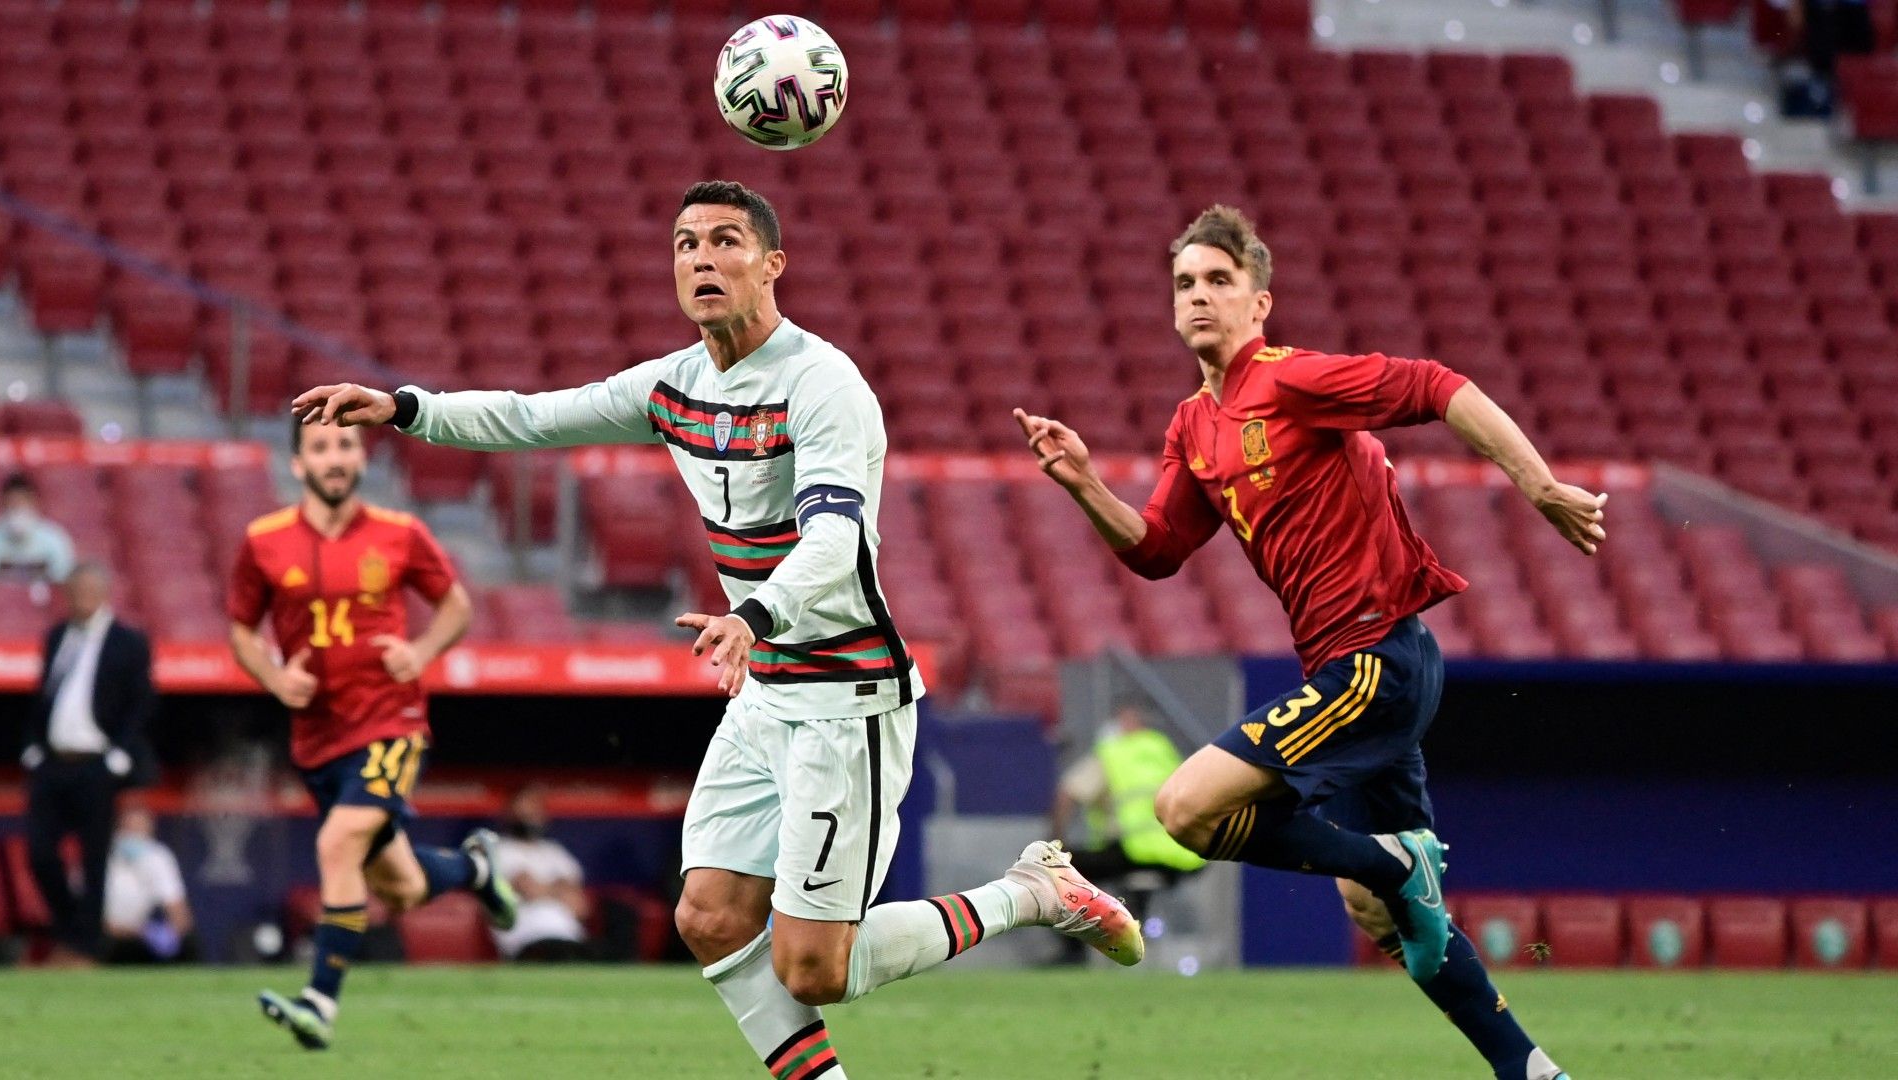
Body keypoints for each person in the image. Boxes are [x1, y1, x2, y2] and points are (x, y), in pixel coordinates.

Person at [292, 180, 1143, 1079]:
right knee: (707, 916)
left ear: (772, 265)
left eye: (726, 241)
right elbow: (534, 415)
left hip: (843, 695)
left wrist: (753, 614)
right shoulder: (675, 384)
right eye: (686, 244)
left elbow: (837, 536)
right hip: (765, 686)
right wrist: (405, 407)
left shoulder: (824, 384)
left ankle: (1031, 892)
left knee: (816, 968)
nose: (702, 259)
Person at [1017, 205, 1603, 1080]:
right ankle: (1529, 1067)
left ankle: (1395, 867)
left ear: (1260, 303)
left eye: (1220, 281)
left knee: (1184, 810)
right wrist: (1083, 484)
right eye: (1186, 284)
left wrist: (1542, 485)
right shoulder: (1193, 426)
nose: (1200, 297)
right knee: (1379, 913)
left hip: (1379, 659)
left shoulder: (1294, 381)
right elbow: (1157, 552)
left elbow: (1441, 387)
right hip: (1351, 670)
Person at [227, 418, 515, 1051]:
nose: (335, 457)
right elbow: (243, 630)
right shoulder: (264, 542)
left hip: (391, 721)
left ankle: (318, 1004)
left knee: (338, 842)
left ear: (361, 457)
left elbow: (457, 607)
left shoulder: (400, 533)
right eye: (322, 448)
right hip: (317, 737)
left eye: (346, 445)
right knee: (402, 886)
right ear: (299, 465)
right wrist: (275, 679)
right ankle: (474, 868)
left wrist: (420, 653)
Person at [22, 561, 153, 961]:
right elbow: (45, 695)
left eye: (85, 592)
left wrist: (118, 754)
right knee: (39, 851)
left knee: (94, 856)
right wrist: (33, 745)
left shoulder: (128, 641)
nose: (78, 600)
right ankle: (70, 927)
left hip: (97, 763)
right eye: (72, 592)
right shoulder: (58, 636)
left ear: (101, 593)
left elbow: (142, 703)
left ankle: (88, 946)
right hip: (52, 762)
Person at [1050, 697, 1204, 959]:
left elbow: (1068, 795)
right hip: (1183, 856)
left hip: (1133, 851)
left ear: (1123, 720)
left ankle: (1073, 953)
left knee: (1056, 874)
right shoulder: (1164, 752)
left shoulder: (1115, 753)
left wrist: (1055, 842)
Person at [491, 784, 592, 962]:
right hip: (527, 940)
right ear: (510, 813)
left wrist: (546, 890)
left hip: (571, 938)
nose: (531, 815)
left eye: (535, 808)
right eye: (524, 809)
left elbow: (579, 905)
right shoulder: (499, 849)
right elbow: (529, 889)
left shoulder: (555, 852)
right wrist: (558, 889)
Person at [102, 803, 196, 964]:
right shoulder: (100, 857)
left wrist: (166, 933)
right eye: (129, 829)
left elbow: (179, 914)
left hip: (138, 937)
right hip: (107, 936)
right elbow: (86, 918)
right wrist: (135, 932)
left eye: (140, 829)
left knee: (189, 943)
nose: (135, 836)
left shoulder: (157, 856)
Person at [0, 472, 75, 587]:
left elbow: (62, 577)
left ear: (35, 502)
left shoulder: (54, 538)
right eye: (12, 503)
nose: (17, 507)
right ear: (1, 504)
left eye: (22, 501)